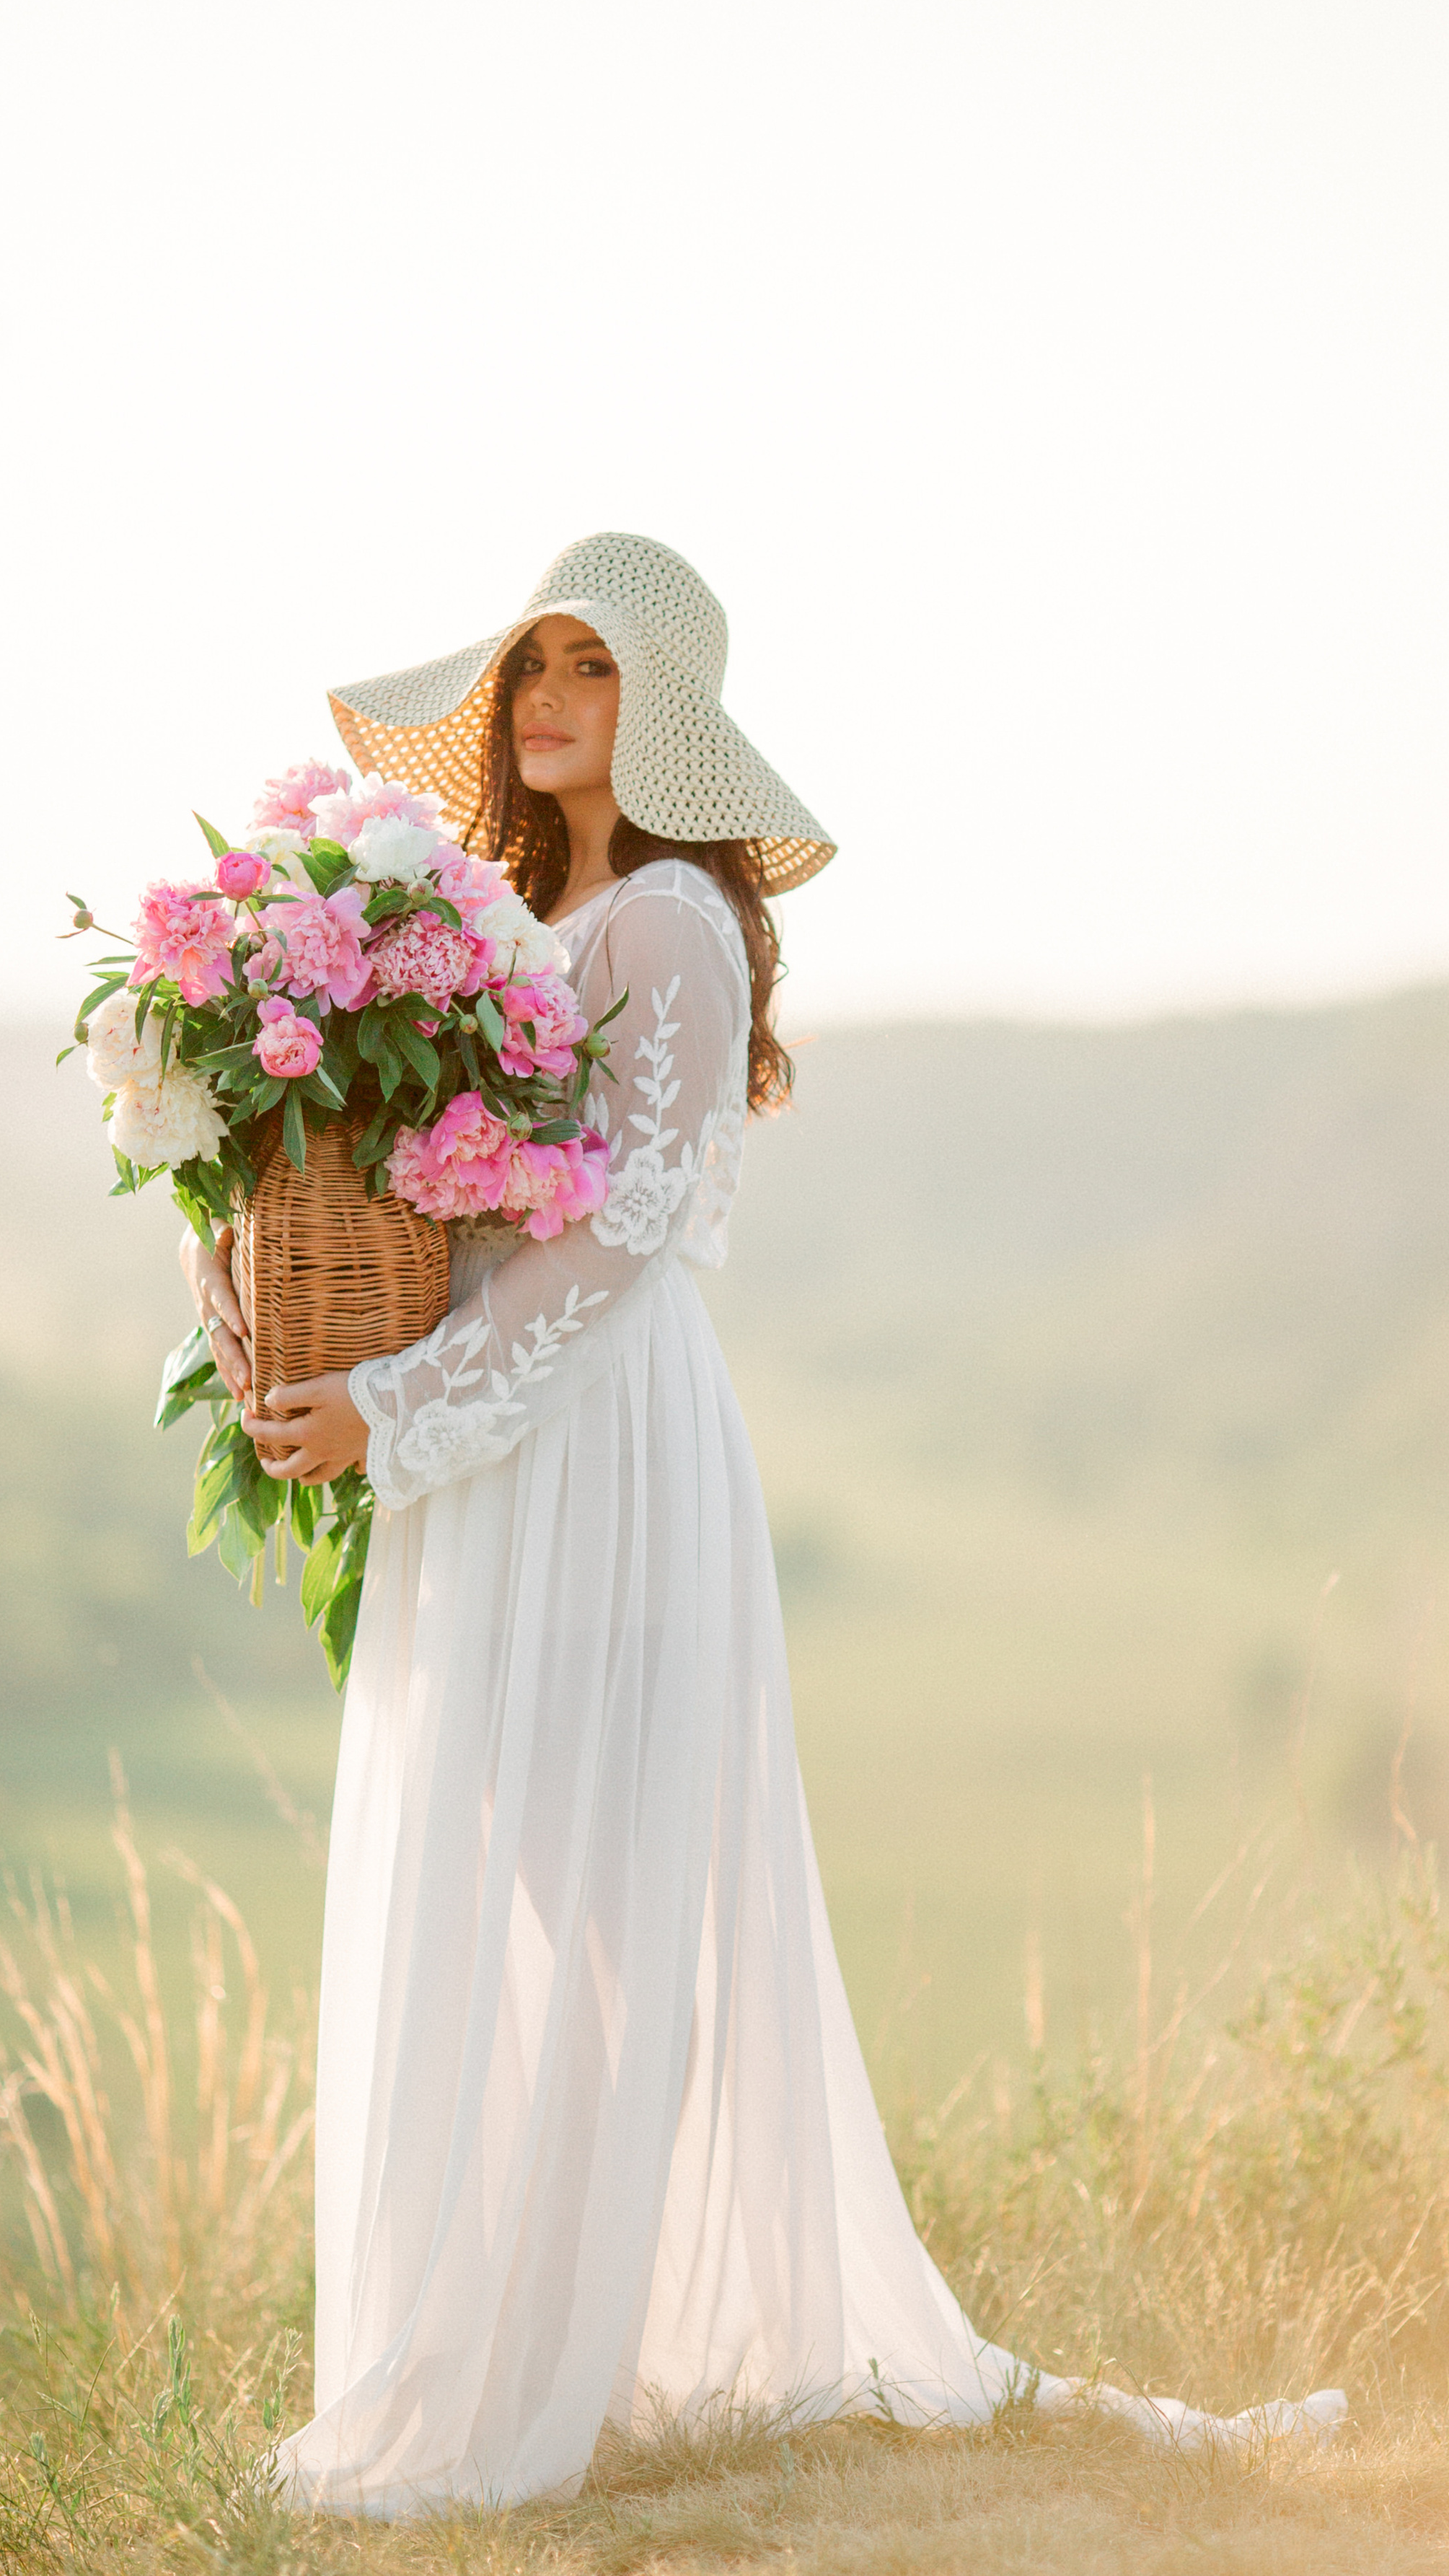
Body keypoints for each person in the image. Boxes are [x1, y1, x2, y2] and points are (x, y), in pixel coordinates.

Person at [180, 533, 1344, 2514]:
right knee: (511, 1875)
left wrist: (390, 1403)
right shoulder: (493, 917)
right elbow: (405, 1188)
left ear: (673, 713)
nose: (550, 702)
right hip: (487, 1439)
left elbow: (628, 1233)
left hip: (601, 1434)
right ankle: (560, 2340)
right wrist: (256, 1274)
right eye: (535, 666)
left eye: (597, 673)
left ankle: (566, 2365)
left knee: (609, 1896)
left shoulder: (672, 929)